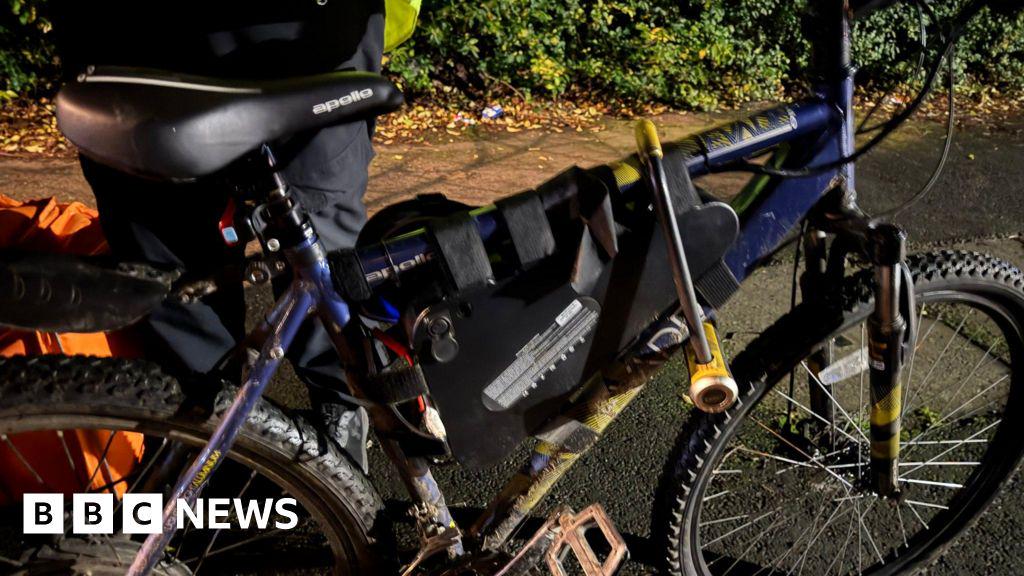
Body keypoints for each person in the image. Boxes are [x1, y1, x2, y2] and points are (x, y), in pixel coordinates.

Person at [50, 0, 420, 470]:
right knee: (171, 260)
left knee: (314, 243)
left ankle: (334, 412)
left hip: (293, 28)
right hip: (148, 31)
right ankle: (205, 427)